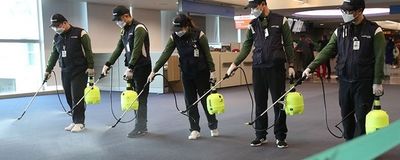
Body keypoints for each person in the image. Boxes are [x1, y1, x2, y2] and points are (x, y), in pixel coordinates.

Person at [303, 0, 385, 141]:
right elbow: (327, 50)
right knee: (346, 114)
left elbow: (379, 58)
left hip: (364, 82)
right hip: (345, 80)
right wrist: (311, 67)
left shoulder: (374, 30)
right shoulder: (340, 31)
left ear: (359, 11)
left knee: (361, 116)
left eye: (349, 11)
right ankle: (349, 141)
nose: (345, 14)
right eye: (344, 10)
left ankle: (360, 146)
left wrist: (377, 81)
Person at [226, 0, 295, 148]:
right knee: (260, 103)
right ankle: (260, 134)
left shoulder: (281, 20)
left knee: (279, 103)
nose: (252, 10)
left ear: (263, 4)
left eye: (254, 7)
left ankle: (280, 136)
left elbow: (288, 44)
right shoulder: (252, 24)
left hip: (276, 68)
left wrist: (292, 65)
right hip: (258, 68)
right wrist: (234, 64)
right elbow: (246, 46)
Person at [147, 13, 219, 140]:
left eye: (180, 29)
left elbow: (208, 55)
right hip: (186, 73)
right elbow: (165, 54)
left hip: (202, 72)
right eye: (176, 29)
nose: (178, 32)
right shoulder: (174, 37)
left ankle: (213, 126)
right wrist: (154, 70)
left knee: (205, 100)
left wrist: (212, 71)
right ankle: (195, 129)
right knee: (190, 102)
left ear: (186, 26)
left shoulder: (199, 35)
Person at [101, 6, 151, 138]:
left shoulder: (139, 28)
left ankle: (141, 128)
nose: (118, 22)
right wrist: (108, 63)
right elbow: (119, 48)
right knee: (134, 97)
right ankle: (140, 125)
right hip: (132, 67)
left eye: (119, 19)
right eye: (116, 20)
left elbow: (137, 50)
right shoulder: (124, 30)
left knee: (141, 98)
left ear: (127, 16)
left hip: (142, 68)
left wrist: (130, 67)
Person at [45, 13, 95, 132]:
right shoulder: (57, 37)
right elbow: (54, 54)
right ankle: (74, 120)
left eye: (57, 25)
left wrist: (91, 66)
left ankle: (80, 122)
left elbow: (88, 51)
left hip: (79, 70)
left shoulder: (80, 33)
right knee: (69, 97)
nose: (56, 28)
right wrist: (48, 69)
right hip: (65, 70)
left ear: (65, 23)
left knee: (77, 96)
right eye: (54, 26)